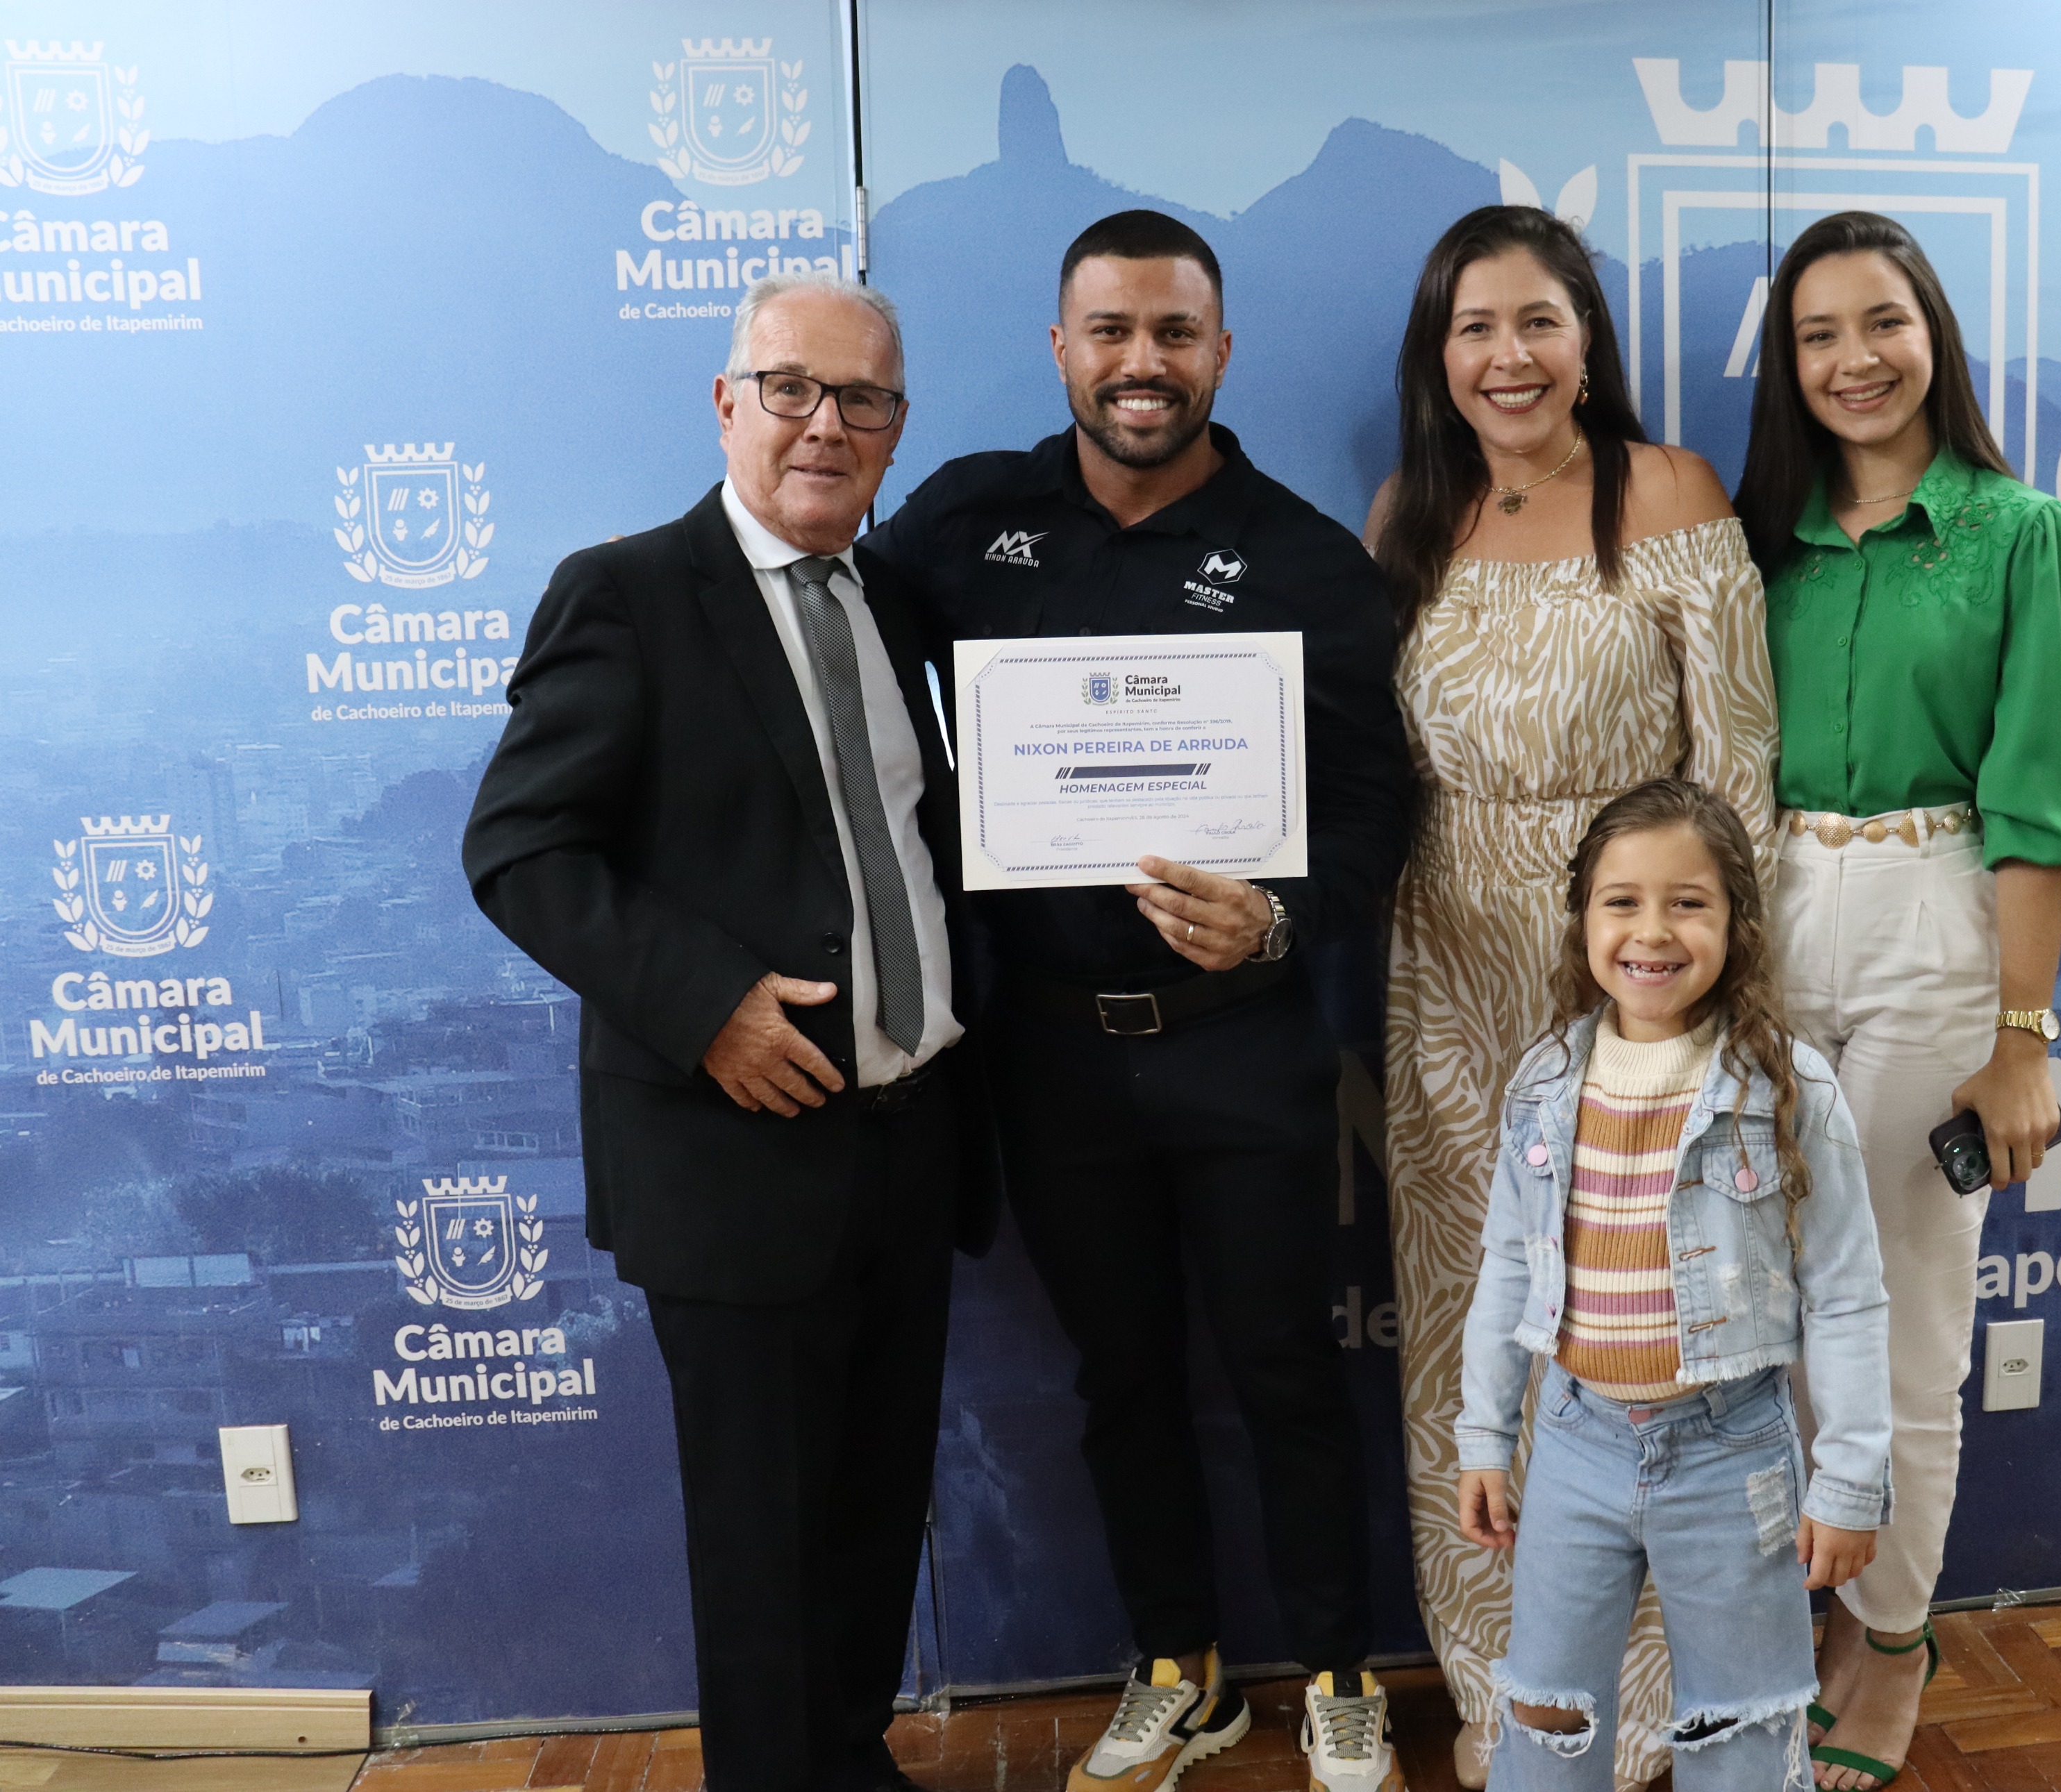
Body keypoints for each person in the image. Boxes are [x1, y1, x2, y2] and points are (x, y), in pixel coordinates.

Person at [864, 209, 1412, 1792]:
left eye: (1174, 332)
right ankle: (1180, 1664)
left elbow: (1375, 806)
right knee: (1120, 1379)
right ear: (1062, 348)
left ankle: (1338, 1670)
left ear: (1221, 351)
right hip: (1046, 1053)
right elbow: (842, 680)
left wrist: (1279, 917)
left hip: (1245, 1045)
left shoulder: (1307, 560)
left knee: (1286, 1371)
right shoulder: (964, 522)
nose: (1142, 363)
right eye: (1110, 331)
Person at [463, 267, 996, 1792]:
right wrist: (708, 1008)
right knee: (762, 1548)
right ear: (727, 403)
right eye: (792, 389)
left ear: (898, 426)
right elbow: (521, 849)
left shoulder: (897, 602)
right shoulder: (627, 593)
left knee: (873, 1511)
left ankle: (850, 1759)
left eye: (863, 399)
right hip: (733, 1152)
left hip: (909, 1138)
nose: (826, 424)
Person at [1365, 205, 1778, 1792]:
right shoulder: (1409, 513)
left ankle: (1656, 1688)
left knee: (1637, 1319)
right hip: (1448, 973)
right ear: (1438, 356)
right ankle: (1514, 1684)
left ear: (1586, 340)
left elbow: (1737, 762)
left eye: (1537, 320)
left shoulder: (1667, 492)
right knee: (1471, 1324)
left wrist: (1710, 991)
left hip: (1637, 966)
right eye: (1474, 327)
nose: (1508, 356)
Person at [1733, 211, 2061, 1789]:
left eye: (1881, 322)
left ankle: (1889, 1642)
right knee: (1763, 1315)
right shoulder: (1762, 537)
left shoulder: (2023, 535)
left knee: (1895, 1318)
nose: (1855, 360)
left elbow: (2040, 803)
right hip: (1762, 921)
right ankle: (1803, 1615)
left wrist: (2022, 1038)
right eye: (1817, 335)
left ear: (1934, 332)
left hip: (1933, 915)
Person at [1453, 777, 1890, 1792]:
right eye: (1623, 901)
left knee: (1741, 1732)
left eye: (1688, 902)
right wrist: (1483, 1435)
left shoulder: (1789, 1087)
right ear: (1584, 920)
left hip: (1731, 1458)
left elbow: (1847, 1295)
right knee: (1547, 1715)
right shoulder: (1544, 1082)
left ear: (1737, 923)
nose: (1653, 930)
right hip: (1575, 1445)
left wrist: (1848, 1479)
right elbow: (1508, 1264)